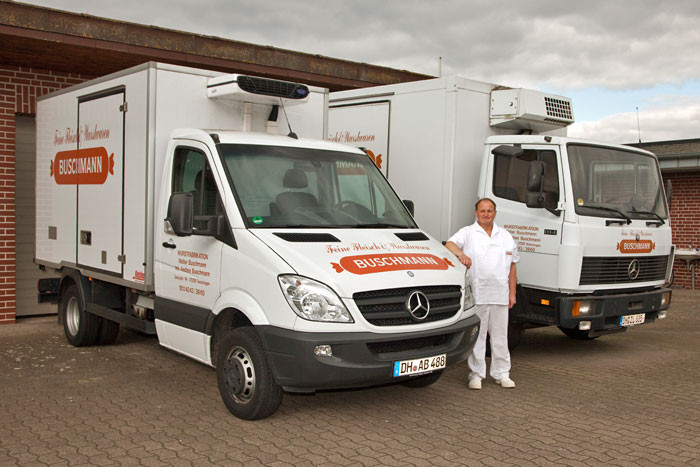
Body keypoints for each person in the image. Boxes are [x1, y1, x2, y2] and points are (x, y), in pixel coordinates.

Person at [445, 198, 519, 390]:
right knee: (478, 336)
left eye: (490, 211)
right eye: (482, 211)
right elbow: (449, 244)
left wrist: (513, 293)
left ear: (495, 213)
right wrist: (461, 255)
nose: (486, 214)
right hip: (478, 293)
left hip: (500, 293)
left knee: (500, 336)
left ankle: (502, 373)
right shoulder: (468, 233)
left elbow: (512, 267)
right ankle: (476, 374)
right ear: (476, 213)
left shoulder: (505, 236)